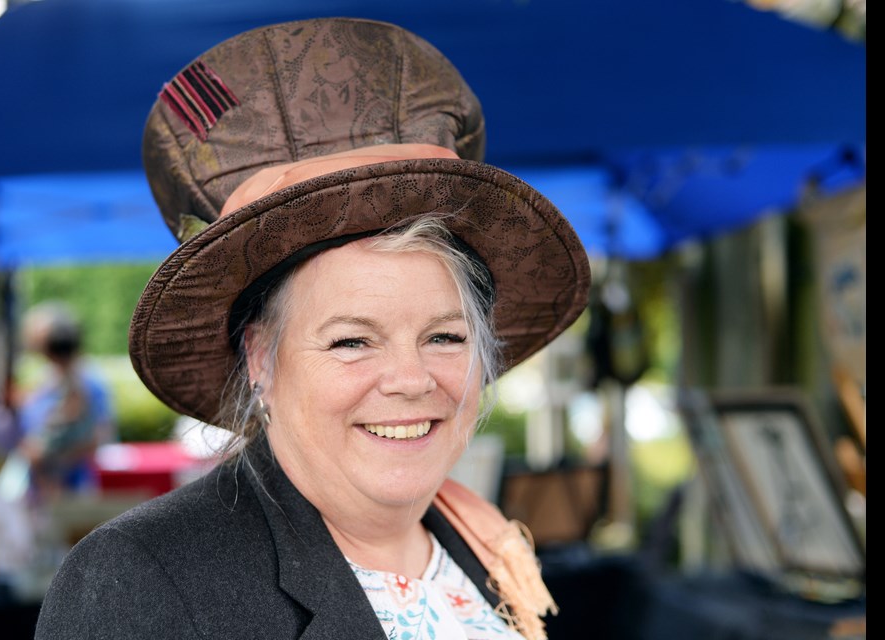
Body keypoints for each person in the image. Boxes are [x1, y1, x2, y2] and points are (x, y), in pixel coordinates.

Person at [35, 17, 590, 640]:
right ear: (261, 359)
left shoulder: (484, 548)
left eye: (445, 336)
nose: (411, 380)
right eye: (352, 340)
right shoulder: (142, 582)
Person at [14, 302, 114, 502]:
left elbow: (98, 437)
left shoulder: (89, 383)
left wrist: (55, 462)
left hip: (73, 489)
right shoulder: (43, 381)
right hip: (39, 490)